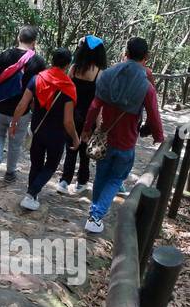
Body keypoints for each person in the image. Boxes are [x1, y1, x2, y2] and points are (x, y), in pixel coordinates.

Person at [79, 36, 165, 234]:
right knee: (116, 179)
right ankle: (96, 215)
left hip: (105, 137)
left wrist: (86, 129)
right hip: (126, 142)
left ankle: (94, 213)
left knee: (101, 175)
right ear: (146, 57)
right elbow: (154, 115)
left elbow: (93, 107)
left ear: (125, 53)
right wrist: (159, 138)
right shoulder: (146, 86)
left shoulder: (107, 75)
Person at [9, 47, 80, 211]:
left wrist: (14, 123)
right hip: (57, 135)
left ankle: (32, 195)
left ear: (52, 60)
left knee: (36, 163)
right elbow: (68, 121)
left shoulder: (37, 79)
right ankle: (31, 193)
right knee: (51, 165)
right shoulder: (69, 87)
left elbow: (22, 104)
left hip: (37, 131)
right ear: (68, 65)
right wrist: (75, 138)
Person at [0, 26, 47, 184]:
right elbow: (41, 88)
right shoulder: (39, 61)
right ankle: (10, 174)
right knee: (15, 143)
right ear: (34, 42)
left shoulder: (6, 55)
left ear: (18, 38)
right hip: (22, 111)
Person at [59, 35, 107, 196]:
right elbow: (100, 101)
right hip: (90, 117)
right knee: (86, 149)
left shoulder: (74, 69)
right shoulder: (100, 73)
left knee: (71, 146)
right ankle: (82, 182)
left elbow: (66, 91)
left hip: (72, 113)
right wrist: (99, 122)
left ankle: (64, 180)